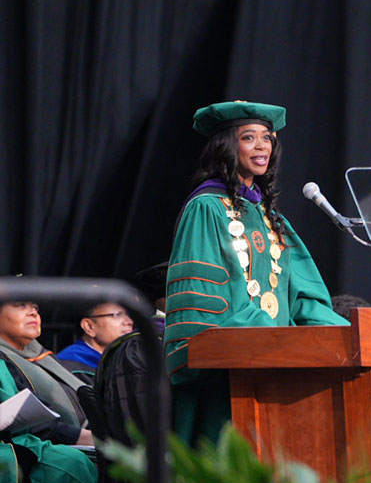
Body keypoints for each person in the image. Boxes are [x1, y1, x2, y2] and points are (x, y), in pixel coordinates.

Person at [165, 101, 348, 445]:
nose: (262, 145)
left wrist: (346, 339)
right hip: (227, 378)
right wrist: (275, 338)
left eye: (267, 138)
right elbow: (205, 306)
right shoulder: (206, 209)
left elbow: (303, 295)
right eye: (249, 137)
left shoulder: (268, 217)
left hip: (274, 370)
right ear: (226, 146)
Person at [0, 301, 93, 447]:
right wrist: (87, 438)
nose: (33, 312)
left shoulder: (42, 355)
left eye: (35, 307)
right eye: (21, 305)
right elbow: (31, 424)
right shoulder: (4, 362)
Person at [55, 302, 135, 384]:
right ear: (89, 326)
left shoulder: (132, 357)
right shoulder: (69, 365)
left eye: (128, 315)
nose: (129, 322)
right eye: (117, 315)